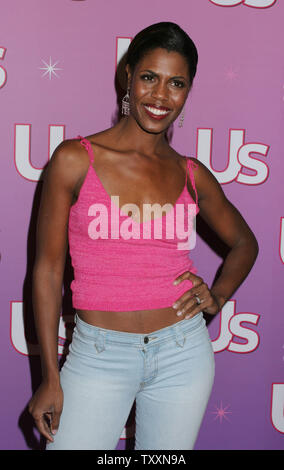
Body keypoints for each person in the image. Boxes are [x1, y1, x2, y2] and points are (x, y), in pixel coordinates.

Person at [28, 22, 259, 450]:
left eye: (177, 83)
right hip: (98, 355)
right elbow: (47, 270)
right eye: (149, 77)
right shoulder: (75, 159)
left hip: (183, 352)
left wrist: (218, 296)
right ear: (128, 76)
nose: (160, 96)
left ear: (188, 92)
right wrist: (49, 378)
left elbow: (246, 244)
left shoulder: (192, 174)